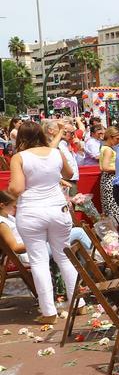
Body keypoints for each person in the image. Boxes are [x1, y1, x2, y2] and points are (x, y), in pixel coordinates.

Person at [8, 121, 79, 323]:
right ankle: (78, 304)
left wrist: (10, 188)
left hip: (31, 211)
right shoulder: (54, 152)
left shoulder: (19, 158)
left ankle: (48, 312)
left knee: (38, 261)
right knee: (64, 256)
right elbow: (69, 174)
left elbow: (17, 188)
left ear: (20, 137)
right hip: (58, 208)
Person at [98, 127, 119, 223]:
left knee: (110, 208)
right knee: (113, 209)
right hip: (110, 180)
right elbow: (105, 167)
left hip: (108, 180)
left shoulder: (105, 148)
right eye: (117, 139)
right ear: (110, 137)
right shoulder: (108, 150)